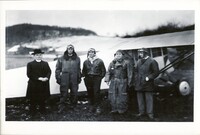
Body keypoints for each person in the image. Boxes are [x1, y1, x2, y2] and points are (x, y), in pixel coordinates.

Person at [105, 50, 133, 114]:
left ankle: (122, 109)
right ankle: (114, 109)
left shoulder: (127, 63)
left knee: (122, 95)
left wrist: (129, 82)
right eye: (117, 54)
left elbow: (130, 73)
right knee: (113, 95)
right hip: (113, 81)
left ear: (123, 55)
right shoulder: (112, 63)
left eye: (119, 54)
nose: (118, 55)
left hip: (123, 81)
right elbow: (108, 72)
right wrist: (107, 79)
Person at [55, 44, 81, 113]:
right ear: (67, 49)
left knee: (74, 93)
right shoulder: (61, 58)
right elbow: (58, 69)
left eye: (71, 49)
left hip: (74, 78)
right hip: (65, 78)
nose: (70, 50)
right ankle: (62, 106)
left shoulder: (77, 58)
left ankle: (74, 106)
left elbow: (79, 69)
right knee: (64, 93)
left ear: (73, 49)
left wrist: (79, 77)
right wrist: (58, 77)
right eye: (69, 49)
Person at [134, 48, 159, 120]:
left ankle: (150, 113)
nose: (140, 54)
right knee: (140, 98)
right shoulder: (138, 61)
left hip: (148, 83)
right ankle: (141, 112)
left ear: (145, 53)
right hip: (139, 83)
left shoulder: (152, 61)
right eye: (139, 53)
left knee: (149, 98)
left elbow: (156, 72)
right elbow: (135, 70)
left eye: (141, 53)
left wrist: (149, 77)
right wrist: (136, 77)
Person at [26, 49, 51, 115]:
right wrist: (39, 78)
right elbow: (29, 74)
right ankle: (32, 111)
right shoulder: (30, 64)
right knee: (33, 98)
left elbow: (49, 71)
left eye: (40, 55)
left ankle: (42, 110)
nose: (39, 56)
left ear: (42, 56)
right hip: (34, 84)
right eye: (37, 55)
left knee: (42, 98)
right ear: (34, 56)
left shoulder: (45, 63)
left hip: (43, 84)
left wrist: (47, 77)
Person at [82, 48, 106, 114]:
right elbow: (83, 71)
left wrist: (99, 78)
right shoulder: (85, 62)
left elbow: (103, 71)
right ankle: (92, 106)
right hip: (88, 79)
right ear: (88, 53)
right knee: (90, 92)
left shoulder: (99, 61)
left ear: (95, 53)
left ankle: (98, 106)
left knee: (96, 92)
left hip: (96, 78)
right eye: (89, 52)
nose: (91, 53)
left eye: (92, 52)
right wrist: (85, 77)